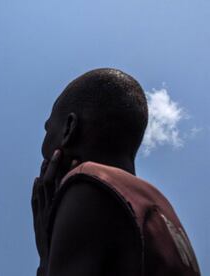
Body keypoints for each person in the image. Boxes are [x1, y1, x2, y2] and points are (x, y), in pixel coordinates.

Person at [31, 68, 200, 276]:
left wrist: (46, 258)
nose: (43, 155)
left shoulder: (87, 183)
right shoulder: (162, 207)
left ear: (69, 129)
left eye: (48, 130)